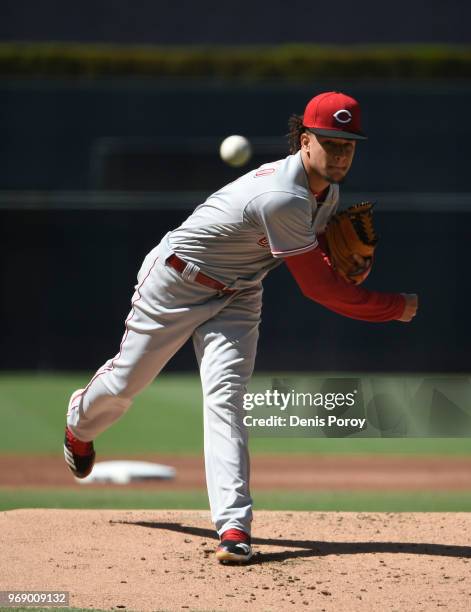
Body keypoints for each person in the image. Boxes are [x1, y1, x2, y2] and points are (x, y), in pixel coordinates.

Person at [63, 91, 418, 564]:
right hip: (176, 281)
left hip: (239, 292)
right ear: (305, 140)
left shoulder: (328, 194)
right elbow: (321, 290)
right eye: (330, 142)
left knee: (227, 398)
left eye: (348, 144)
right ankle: (78, 423)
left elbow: (322, 260)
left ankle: (233, 528)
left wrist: (339, 261)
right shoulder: (282, 196)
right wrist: (394, 306)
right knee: (127, 384)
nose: (340, 153)